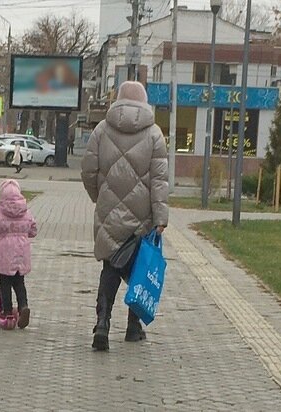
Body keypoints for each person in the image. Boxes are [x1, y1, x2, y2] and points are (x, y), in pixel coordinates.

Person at [81, 81, 169, 351]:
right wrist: (160, 216)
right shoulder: (155, 135)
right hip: (142, 215)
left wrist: (99, 196)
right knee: (138, 269)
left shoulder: (100, 130)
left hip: (109, 210)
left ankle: (102, 324)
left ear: (117, 101)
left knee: (110, 266)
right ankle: (133, 327)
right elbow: (159, 181)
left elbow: (88, 170)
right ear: (144, 102)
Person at [0, 179, 37, 329]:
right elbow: (33, 229)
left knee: (5, 282)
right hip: (21, 253)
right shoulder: (26, 212)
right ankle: (23, 306)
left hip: (4, 254)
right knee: (19, 282)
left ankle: (6, 311)